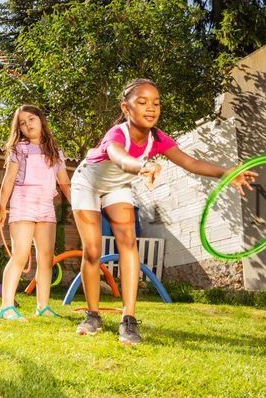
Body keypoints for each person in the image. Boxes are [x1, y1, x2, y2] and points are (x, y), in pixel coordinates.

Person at [69, 78, 256, 345]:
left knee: (128, 243)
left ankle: (128, 319)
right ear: (126, 108)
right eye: (142, 102)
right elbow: (119, 156)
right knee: (94, 251)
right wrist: (141, 167)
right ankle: (93, 315)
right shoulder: (117, 134)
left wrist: (227, 173)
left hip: (118, 186)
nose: (151, 108)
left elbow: (190, 162)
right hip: (87, 183)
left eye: (156, 103)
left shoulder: (158, 138)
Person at [0, 105, 72, 320]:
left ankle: (43, 307)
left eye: (31, 119)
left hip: (46, 206)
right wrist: (2, 209)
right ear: (19, 129)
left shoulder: (55, 151)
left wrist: (78, 204)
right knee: (20, 255)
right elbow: (9, 180)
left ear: (40, 120)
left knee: (46, 259)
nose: (28, 125)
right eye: (22, 123)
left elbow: (64, 183)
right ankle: (6, 307)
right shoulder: (19, 149)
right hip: (23, 203)